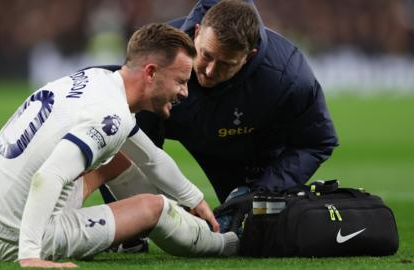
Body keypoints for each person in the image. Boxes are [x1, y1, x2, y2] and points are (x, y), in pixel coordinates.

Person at [0, 23, 238, 268]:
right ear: (151, 73)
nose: (184, 92)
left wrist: (193, 198)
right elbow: (48, 176)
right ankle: (227, 241)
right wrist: (31, 255)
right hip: (10, 237)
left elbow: (150, 157)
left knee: (118, 159)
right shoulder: (111, 116)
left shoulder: (98, 81)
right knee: (155, 207)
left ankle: (135, 235)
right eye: (180, 81)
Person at [95, 0, 338, 207]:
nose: (209, 71)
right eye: (206, 56)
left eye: (226, 64)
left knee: (247, 217)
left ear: (248, 56)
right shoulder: (159, 54)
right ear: (197, 32)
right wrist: (136, 207)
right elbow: (118, 124)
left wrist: (264, 188)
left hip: (242, 144)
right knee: (122, 133)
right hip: (169, 120)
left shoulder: (288, 77)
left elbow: (318, 141)